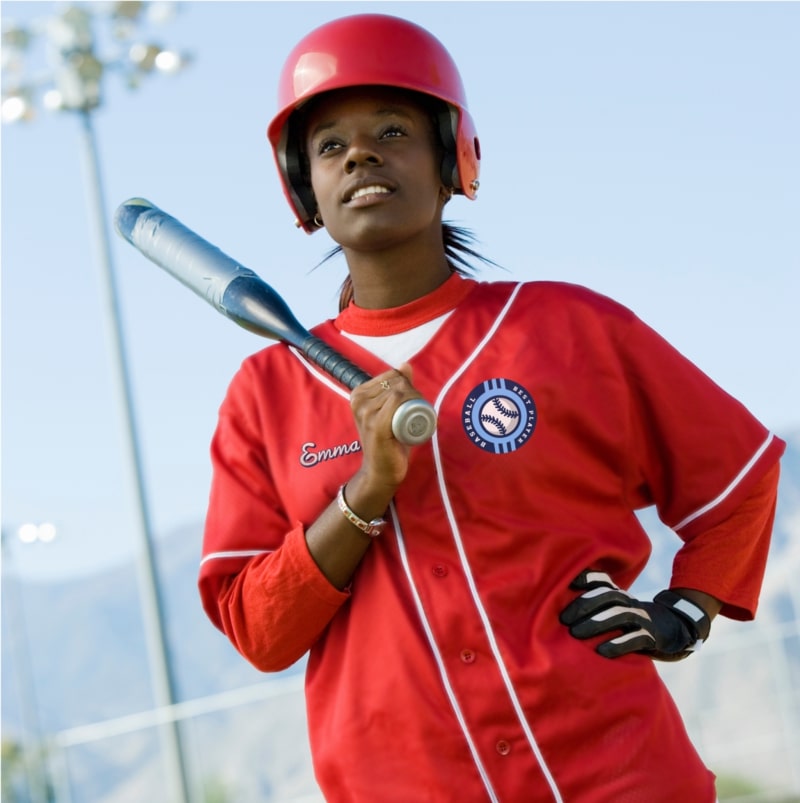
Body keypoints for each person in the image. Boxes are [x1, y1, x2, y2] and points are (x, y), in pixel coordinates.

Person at [198, 13, 785, 803]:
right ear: (305, 188)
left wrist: (685, 607)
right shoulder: (265, 391)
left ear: (452, 159)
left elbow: (738, 479)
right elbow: (260, 630)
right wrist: (365, 493)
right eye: (329, 145)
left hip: (615, 775)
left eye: (394, 129)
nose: (361, 154)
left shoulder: (570, 328)